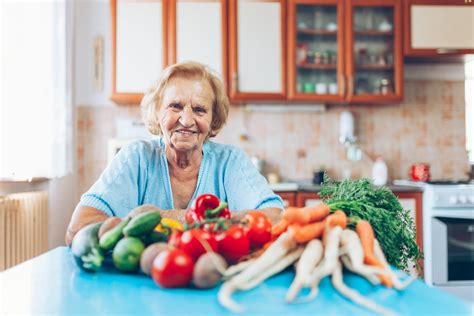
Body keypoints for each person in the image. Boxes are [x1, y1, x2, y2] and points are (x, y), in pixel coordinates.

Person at [65, 61, 283, 246]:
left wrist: (160, 220)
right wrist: (178, 219)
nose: (187, 120)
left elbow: (277, 220)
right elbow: (78, 230)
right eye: (175, 106)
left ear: (213, 119)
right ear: (157, 113)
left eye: (199, 110)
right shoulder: (136, 158)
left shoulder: (230, 162)